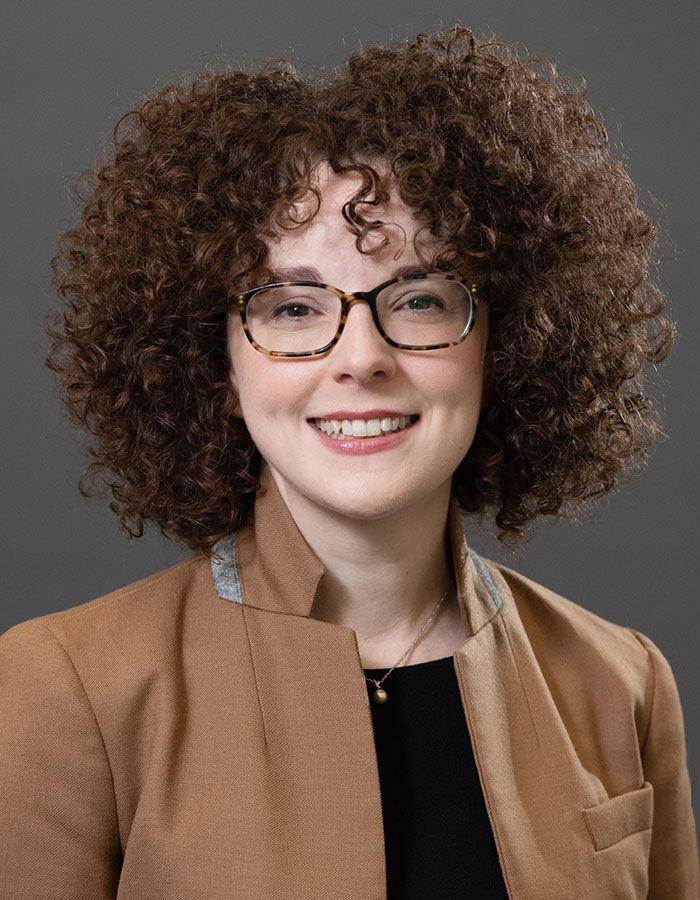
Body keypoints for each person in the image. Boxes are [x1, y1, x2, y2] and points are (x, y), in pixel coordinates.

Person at [0, 25, 696, 900]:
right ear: (216, 360)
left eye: (420, 297)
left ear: (506, 341)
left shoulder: (619, 679)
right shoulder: (67, 688)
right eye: (292, 308)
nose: (360, 357)